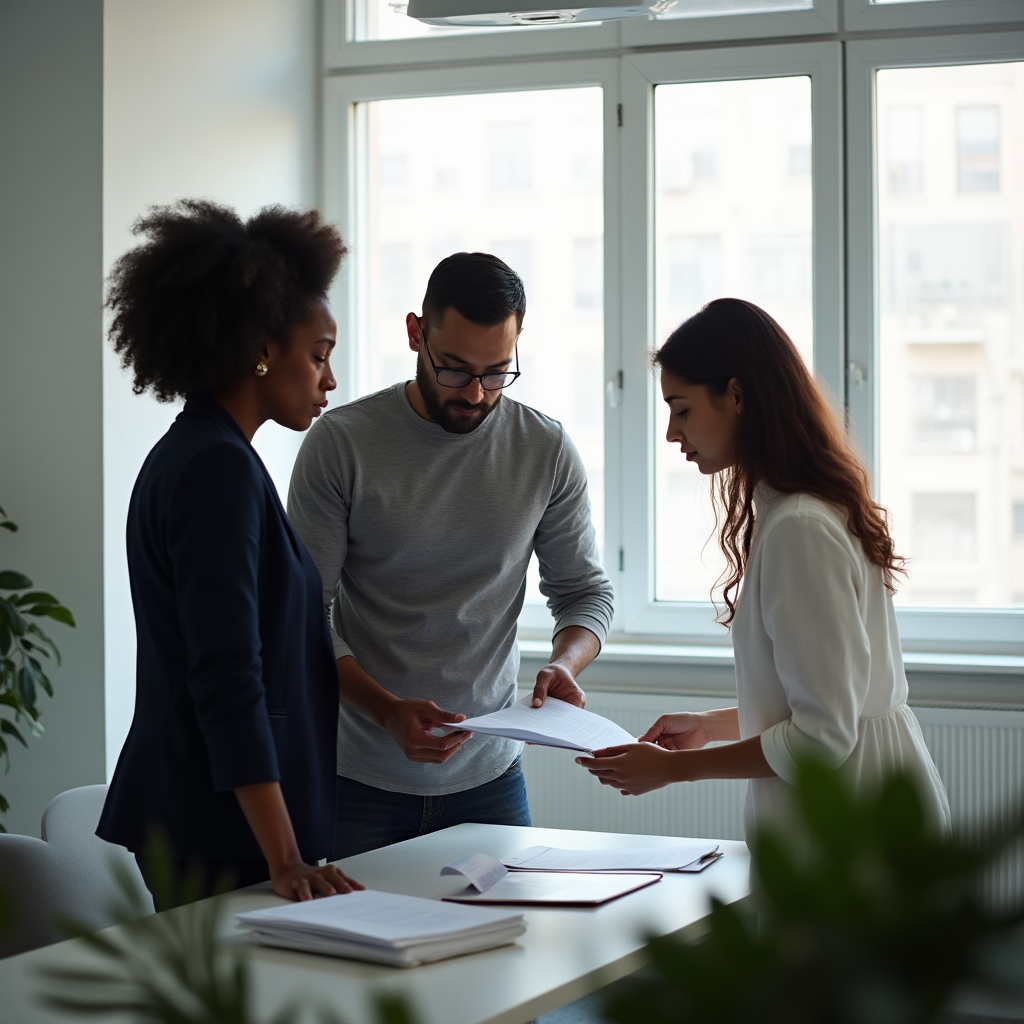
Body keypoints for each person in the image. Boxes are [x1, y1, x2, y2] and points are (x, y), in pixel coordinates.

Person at [578, 298, 950, 836]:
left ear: (736, 396)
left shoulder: (799, 527)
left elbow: (822, 737)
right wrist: (709, 727)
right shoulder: (803, 509)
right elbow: (825, 702)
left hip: (851, 816)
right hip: (863, 795)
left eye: (682, 409)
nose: (670, 433)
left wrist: (675, 770)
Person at [287, 252, 615, 858]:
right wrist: (386, 713)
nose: (475, 393)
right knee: (356, 952)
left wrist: (568, 661)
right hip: (356, 778)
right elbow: (303, 616)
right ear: (416, 333)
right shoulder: (341, 444)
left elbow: (585, 593)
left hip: (491, 779)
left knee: (506, 944)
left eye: (497, 373)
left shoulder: (544, 447)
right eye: (455, 369)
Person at [97, 200, 363, 902]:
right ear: (264, 348)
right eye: (320, 354)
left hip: (218, 821)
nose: (328, 380)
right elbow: (226, 675)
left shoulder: (204, 454)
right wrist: (285, 857)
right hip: (220, 834)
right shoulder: (215, 470)